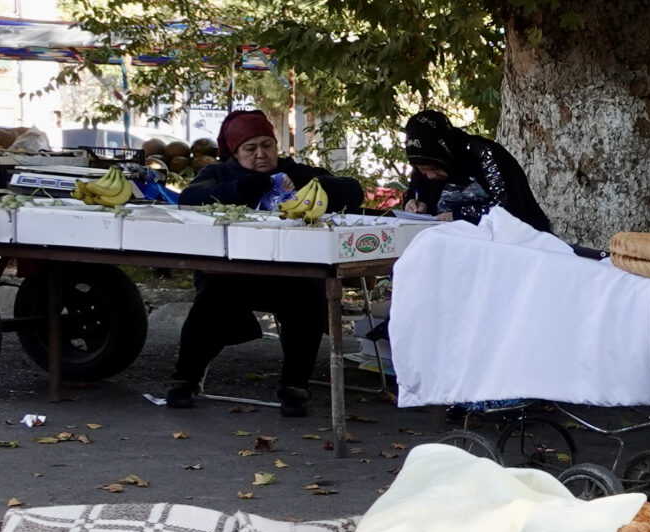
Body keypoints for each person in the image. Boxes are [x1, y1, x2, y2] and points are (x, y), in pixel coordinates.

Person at [167, 109, 367, 415]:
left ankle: (295, 386)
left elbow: (353, 191)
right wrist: (239, 190)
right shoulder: (219, 173)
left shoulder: (293, 171)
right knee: (212, 301)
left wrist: (304, 181)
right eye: (250, 149)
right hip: (232, 273)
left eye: (267, 145)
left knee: (306, 302)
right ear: (235, 152)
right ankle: (183, 380)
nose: (261, 154)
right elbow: (189, 199)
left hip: (288, 274)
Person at [397, 109, 553, 232]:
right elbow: (417, 192)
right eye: (422, 170)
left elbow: (507, 208)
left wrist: (459, 216)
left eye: (435, 168)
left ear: (446, 155)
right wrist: (414, 204)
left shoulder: (484, 155)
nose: (429, 176)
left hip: (514, 246)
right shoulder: (424, 167)